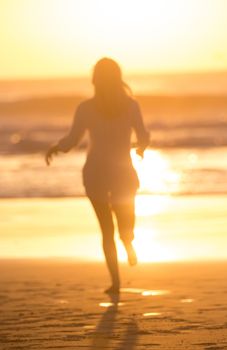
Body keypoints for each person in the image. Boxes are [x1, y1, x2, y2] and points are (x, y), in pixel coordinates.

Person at [45, 58, 149, 295]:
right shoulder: (131, 106)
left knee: (107, 231)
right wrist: (142, 148)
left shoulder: (86, 108)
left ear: (95, 79)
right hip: (122, 173)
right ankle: (128, 243)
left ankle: (116, 280)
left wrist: (56, 148)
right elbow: (143, 135)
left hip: (96, 174)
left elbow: (71, 141)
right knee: (123, 222)